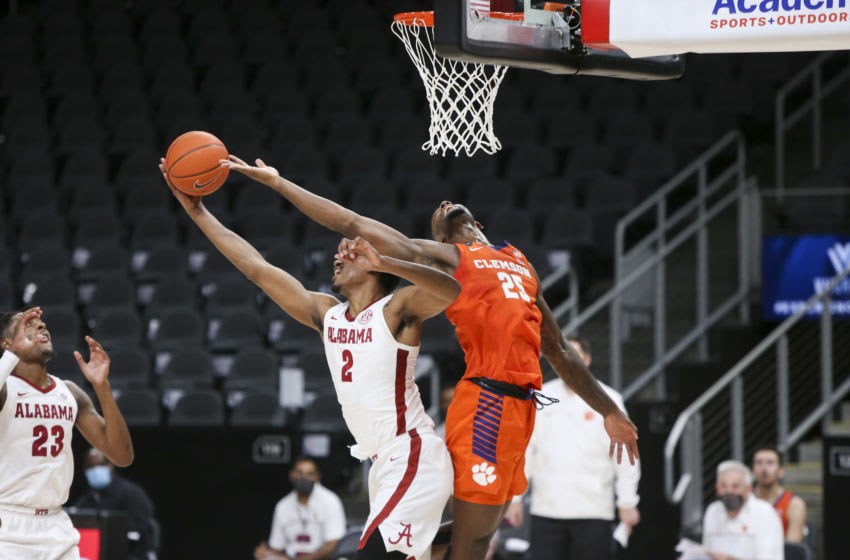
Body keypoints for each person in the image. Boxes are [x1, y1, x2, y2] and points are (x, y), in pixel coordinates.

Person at [221, 155, 639, 560]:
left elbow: (560, 350)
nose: (442, 204)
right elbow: (351, 223)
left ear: (480, 224)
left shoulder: (521, 263)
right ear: (438, 241)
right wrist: (278, 183)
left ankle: (411, 542)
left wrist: (608, 411)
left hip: (522, 408)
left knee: (475, 538)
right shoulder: (450, 259)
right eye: (436, 214)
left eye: (447, 206)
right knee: (469, 547)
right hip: (486, 401)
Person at [160, 162, 457, 560]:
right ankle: (474, 529)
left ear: (372, 262)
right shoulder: (327, 314)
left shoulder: (395, 309)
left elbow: (451, 291)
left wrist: (388, 263)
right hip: (382, 463)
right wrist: (197, 211)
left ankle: (475, 528)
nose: (339, 253)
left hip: (412, 453)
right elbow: (256, 269)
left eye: (350, 251)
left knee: (371, 555)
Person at [0, 306, 134, 559]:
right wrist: (10, 355)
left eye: (40, 323)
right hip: (8, 525)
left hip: (56, 524)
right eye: (27, 325)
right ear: (6, 343)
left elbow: (121, 455)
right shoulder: (6, 389)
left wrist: (102, 387)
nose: (40, 327)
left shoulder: (69, 392)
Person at [504, 336, 641, 560]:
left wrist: (627, 501)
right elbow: (525, 450)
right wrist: (516, 498)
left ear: (586, 360)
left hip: (594, 509)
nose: (566, 362)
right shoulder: (540, 397)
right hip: (546, 508)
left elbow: (625, 456)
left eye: (573, 355)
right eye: (560, 357)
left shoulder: (609, 400)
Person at [254, 457, 346, 560]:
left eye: (309, 474)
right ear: (291, 475)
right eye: (299, 473)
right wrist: (266, 554)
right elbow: (277, 547)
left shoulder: (330, 500)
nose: (304, 477)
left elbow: (334, 543)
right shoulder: (283, 505)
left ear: (317, 476)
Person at [73, 448, 157, 560]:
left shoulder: (131, 494)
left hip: (132, 554)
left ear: (110, 466)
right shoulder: (87, 500)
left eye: (100, 465)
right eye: (90, 467)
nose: (95, 470)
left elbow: (142, 527)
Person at [701, 460, 784, 560]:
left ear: (748, 489)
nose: (729, 491)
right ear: (717, 489)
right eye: (723, 486)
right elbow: (706, 553)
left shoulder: (765, 514)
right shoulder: (712, 511)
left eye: (735, 486)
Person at [751, 445, 807, 543]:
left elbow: (792, 549)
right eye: (759, 463)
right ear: (753, 471)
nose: (764, 468)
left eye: (770, 463)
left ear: (781, 471)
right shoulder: (744, 500)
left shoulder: (794, 504)